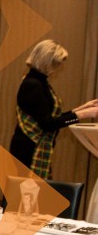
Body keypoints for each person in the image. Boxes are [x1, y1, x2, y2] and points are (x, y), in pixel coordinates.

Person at [8, 39, 98, 178]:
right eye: (56, 64)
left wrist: (81, 109)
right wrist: (83, 114)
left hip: (33, 147)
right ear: (46, 62)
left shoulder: (39, 82)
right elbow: (48, 124)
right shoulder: (33, 85)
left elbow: (50, 117)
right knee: (25, 196)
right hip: (28, 150)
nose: (58, 68)